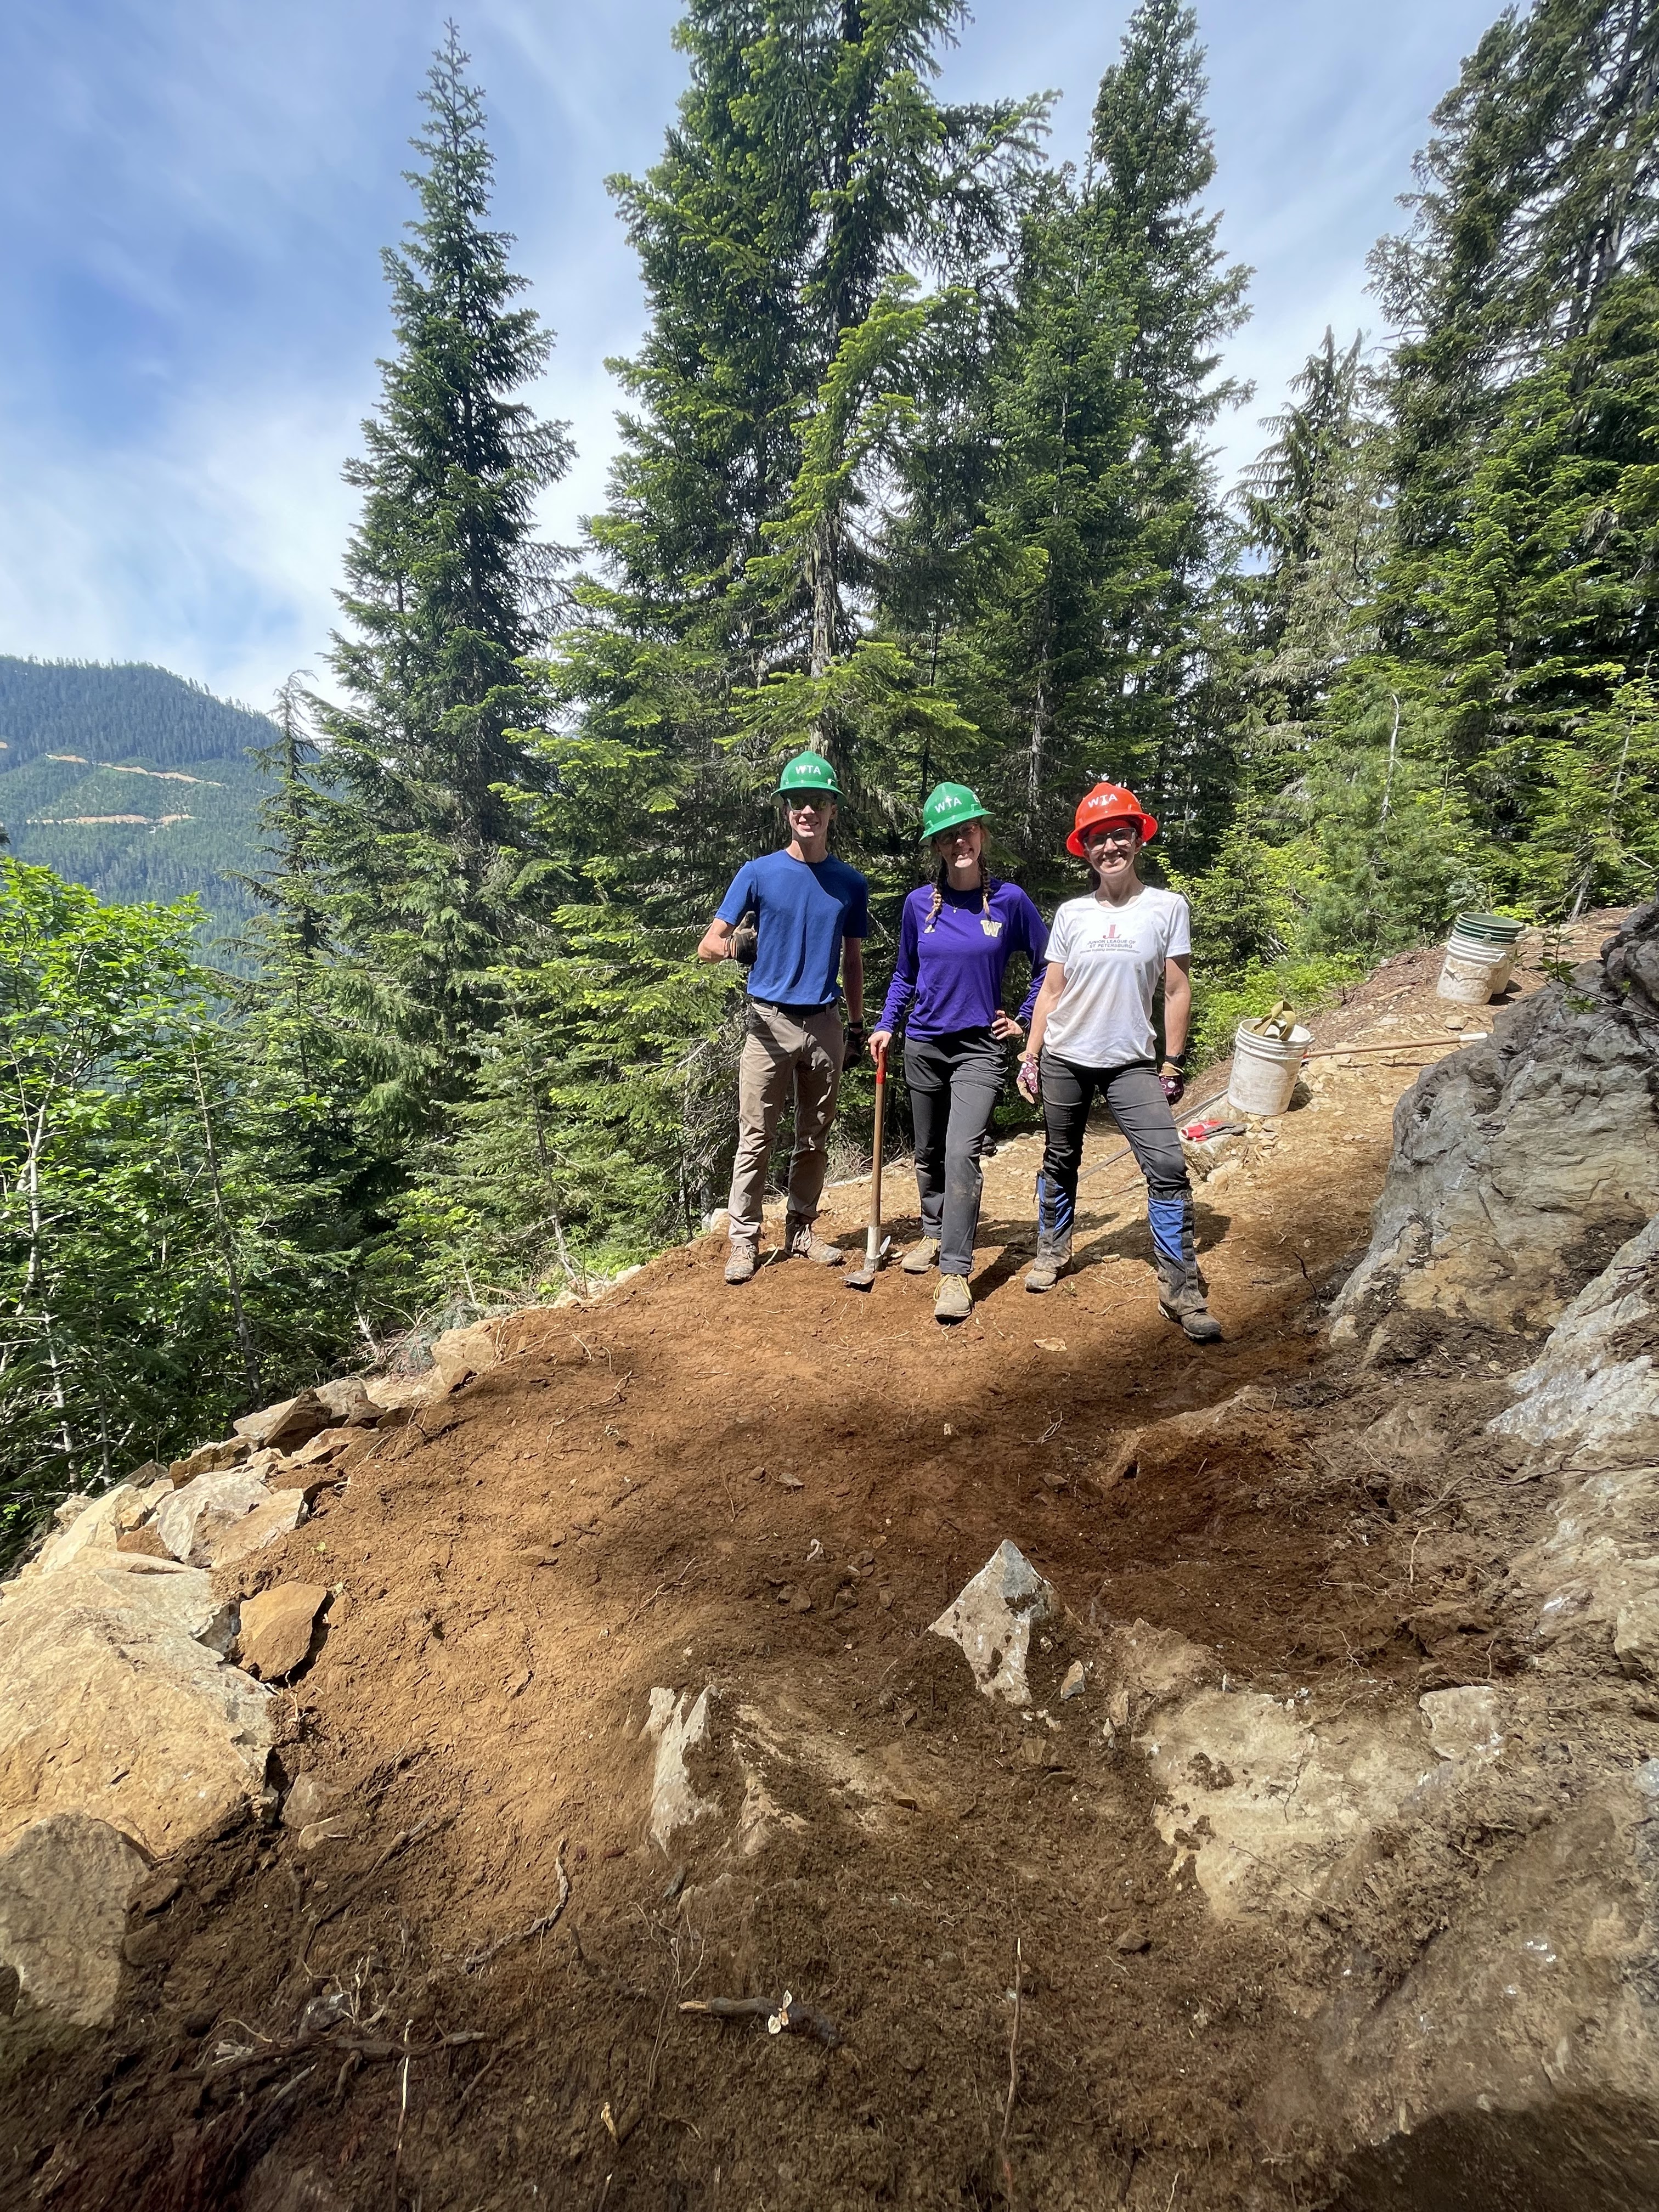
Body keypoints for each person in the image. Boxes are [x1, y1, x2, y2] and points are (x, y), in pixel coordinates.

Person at [1017, 781, 1222, 1342]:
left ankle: (1181, 1289)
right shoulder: (1072, 913)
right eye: (1098, 839)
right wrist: (1030, 1054)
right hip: (1065, 1055)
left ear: (1138, 839)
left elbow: (1175, 990)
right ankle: (1053, 1251)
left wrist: (1172, 1062)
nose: (1110, 847)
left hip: (1131, 1060)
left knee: (1168, 1166)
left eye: (1119, 835)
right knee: (1061, 1157)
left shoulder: (1167, 908)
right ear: (1085, 849)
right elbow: (1052, 992)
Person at [869, 784, 1047, 1324]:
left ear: (982, 834)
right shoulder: (917, 905)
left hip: (979, 1047)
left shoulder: (1011, 901)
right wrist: (886, 1025)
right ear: (937, 846)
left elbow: (1048, 965)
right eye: (947, 836)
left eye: (967, 830)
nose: (959, 842)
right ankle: (932, 1230)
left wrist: (1023, 1017)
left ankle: (954, 1271)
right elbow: (905, 973)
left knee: (961, 1151)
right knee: (927, 1152)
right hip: (924, 1042)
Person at [698, 751, 868, 1285]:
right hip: (767, 1022)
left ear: (832, 809)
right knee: (756, 1136)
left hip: (825, 1021)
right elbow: (708, 945)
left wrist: (856, 1026)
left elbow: (853, 960)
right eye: (798, 801)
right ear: (786, 809)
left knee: (814, 1135)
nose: (807, 811)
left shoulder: (849, 883)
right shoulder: (759, 873)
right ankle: (744, 1241)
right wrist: (737, 948)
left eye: (817, 801)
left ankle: (801, 1230)